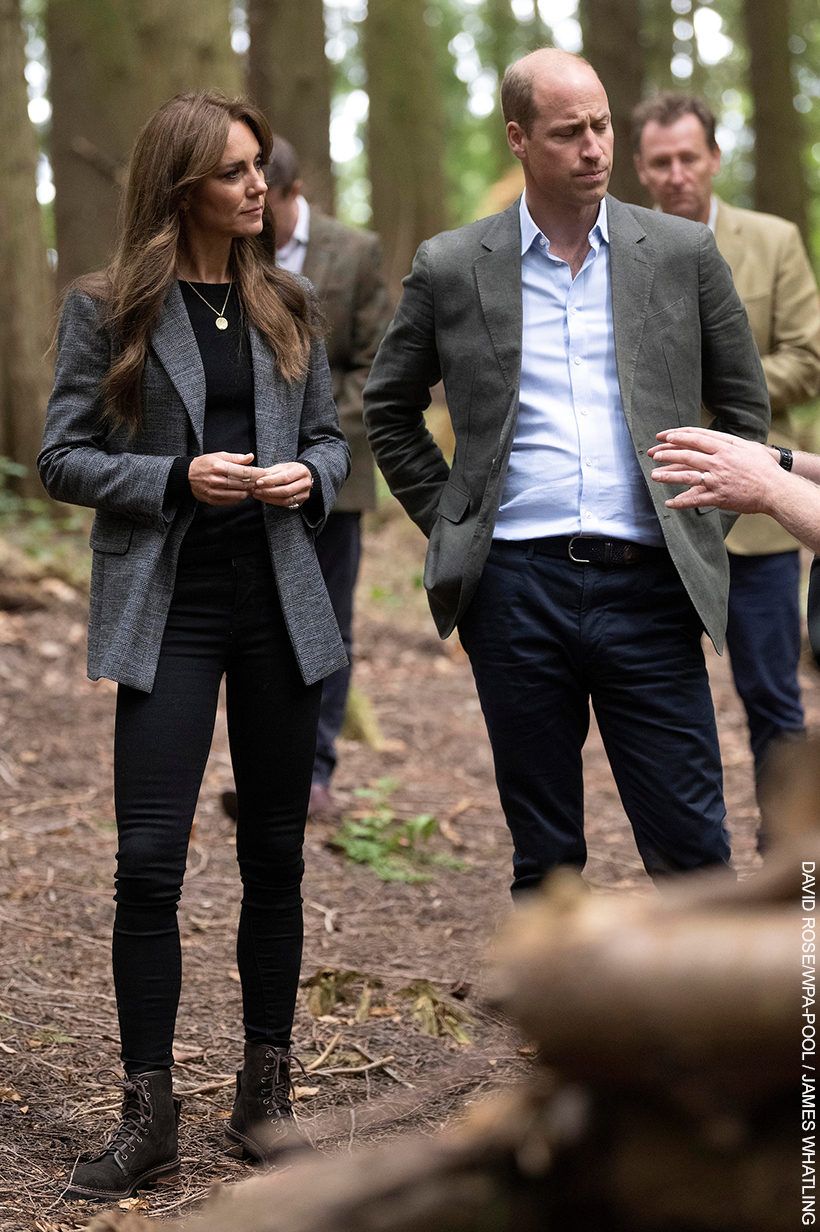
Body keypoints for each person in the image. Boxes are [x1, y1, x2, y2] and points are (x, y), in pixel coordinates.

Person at [38, 92, 350, 1200]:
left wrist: (315, 474)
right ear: (183, 187)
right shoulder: (108, 305)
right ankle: (148, 1111)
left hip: (277, 601)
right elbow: (61, 457)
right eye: (234, 171)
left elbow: (330, 440)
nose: (258, 186)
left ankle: (264, 1101)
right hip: (167, 603)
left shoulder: (290, 302)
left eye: (259, 166)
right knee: (149, 862)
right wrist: (174, 476)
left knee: (274, 851)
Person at [364, 48, 770, 896]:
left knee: (695, 849)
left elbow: (743, 412)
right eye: (567, 132)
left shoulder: (684, 252)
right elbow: (389, 409)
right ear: (518, 138)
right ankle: (561, 1025)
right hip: (513, 589)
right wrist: (454, 519)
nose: (595, 148)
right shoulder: (452, 265)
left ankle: (723, 1027)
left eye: (602, 125)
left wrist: (696, 518)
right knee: (545, 859)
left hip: (651, 586)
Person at [632, 92, 820, 788]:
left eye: (689, 157)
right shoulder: (616, 251)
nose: (677, 172)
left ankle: (793, 877)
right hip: (660, 513)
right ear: (642, 170)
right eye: (661, 161)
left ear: (713, 159)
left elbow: (809, 360)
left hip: (764, 522)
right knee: (658, 700)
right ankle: (695, 871)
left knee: (772, 698)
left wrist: (710, 382)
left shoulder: (773, 241)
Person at [222, 136, 390, 821]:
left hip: (332, 477)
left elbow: (376, 364)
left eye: (271, 200)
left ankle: (315, 772)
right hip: (249, 482)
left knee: (327, 621)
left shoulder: (354, 252)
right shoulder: (238, 248)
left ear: (294, 194)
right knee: (254, 621)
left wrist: (312, 439)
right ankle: (263, 770)